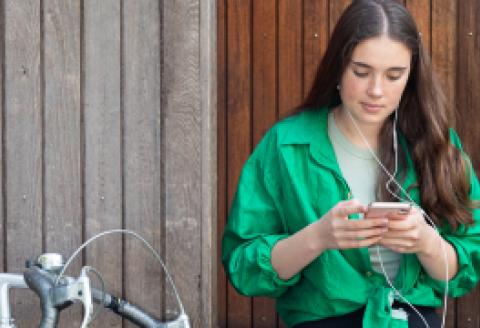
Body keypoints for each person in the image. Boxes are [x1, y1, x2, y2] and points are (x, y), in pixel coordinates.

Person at [221, 0, 480, 327]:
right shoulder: (286, 146)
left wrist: (427, 242)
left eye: (394, 75)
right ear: (338, 68)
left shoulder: (439, 144)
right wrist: (318, 237)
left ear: (411, 77)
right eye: (361, 71)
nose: (376, 90)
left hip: (411, 318)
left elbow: (464, 267)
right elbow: (243, 267)